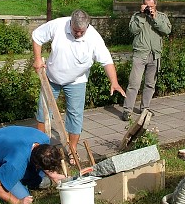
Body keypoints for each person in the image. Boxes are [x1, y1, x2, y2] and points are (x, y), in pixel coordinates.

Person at [32, 9, 125, 163]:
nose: (79, 34)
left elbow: (106, 61)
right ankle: (41, 148)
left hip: (77, 80)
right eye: (76, 31)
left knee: (75, 115)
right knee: (44, 112)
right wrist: (37, 59)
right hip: (52, 77)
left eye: (82, 31)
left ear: (87, 27)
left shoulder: (94, 37)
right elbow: (37, 36)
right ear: (71, 24)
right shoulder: (58, 25)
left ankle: (72, 149)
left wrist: (114, 82)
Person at [0, 126, 66, 204]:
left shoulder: (44, 139)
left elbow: (44, 156)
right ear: (37, 165)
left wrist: (52, 175)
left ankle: (12, 177)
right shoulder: (16, 163)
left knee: (40, 181)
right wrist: (18, 202)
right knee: (23, 197)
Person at [122, 0, 172, 121]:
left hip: (155, 54)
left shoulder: (162, 16)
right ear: (142, 5)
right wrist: (142, 16)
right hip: (140, 54)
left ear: (155, 5)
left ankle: (145, 108)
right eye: (146, 5)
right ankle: (127, 110)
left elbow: (167, 31)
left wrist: (155, 18)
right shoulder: (137, 16)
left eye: (151, 6)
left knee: (150, 84)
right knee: (134, 84)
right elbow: (133, 30)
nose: (149, 8)